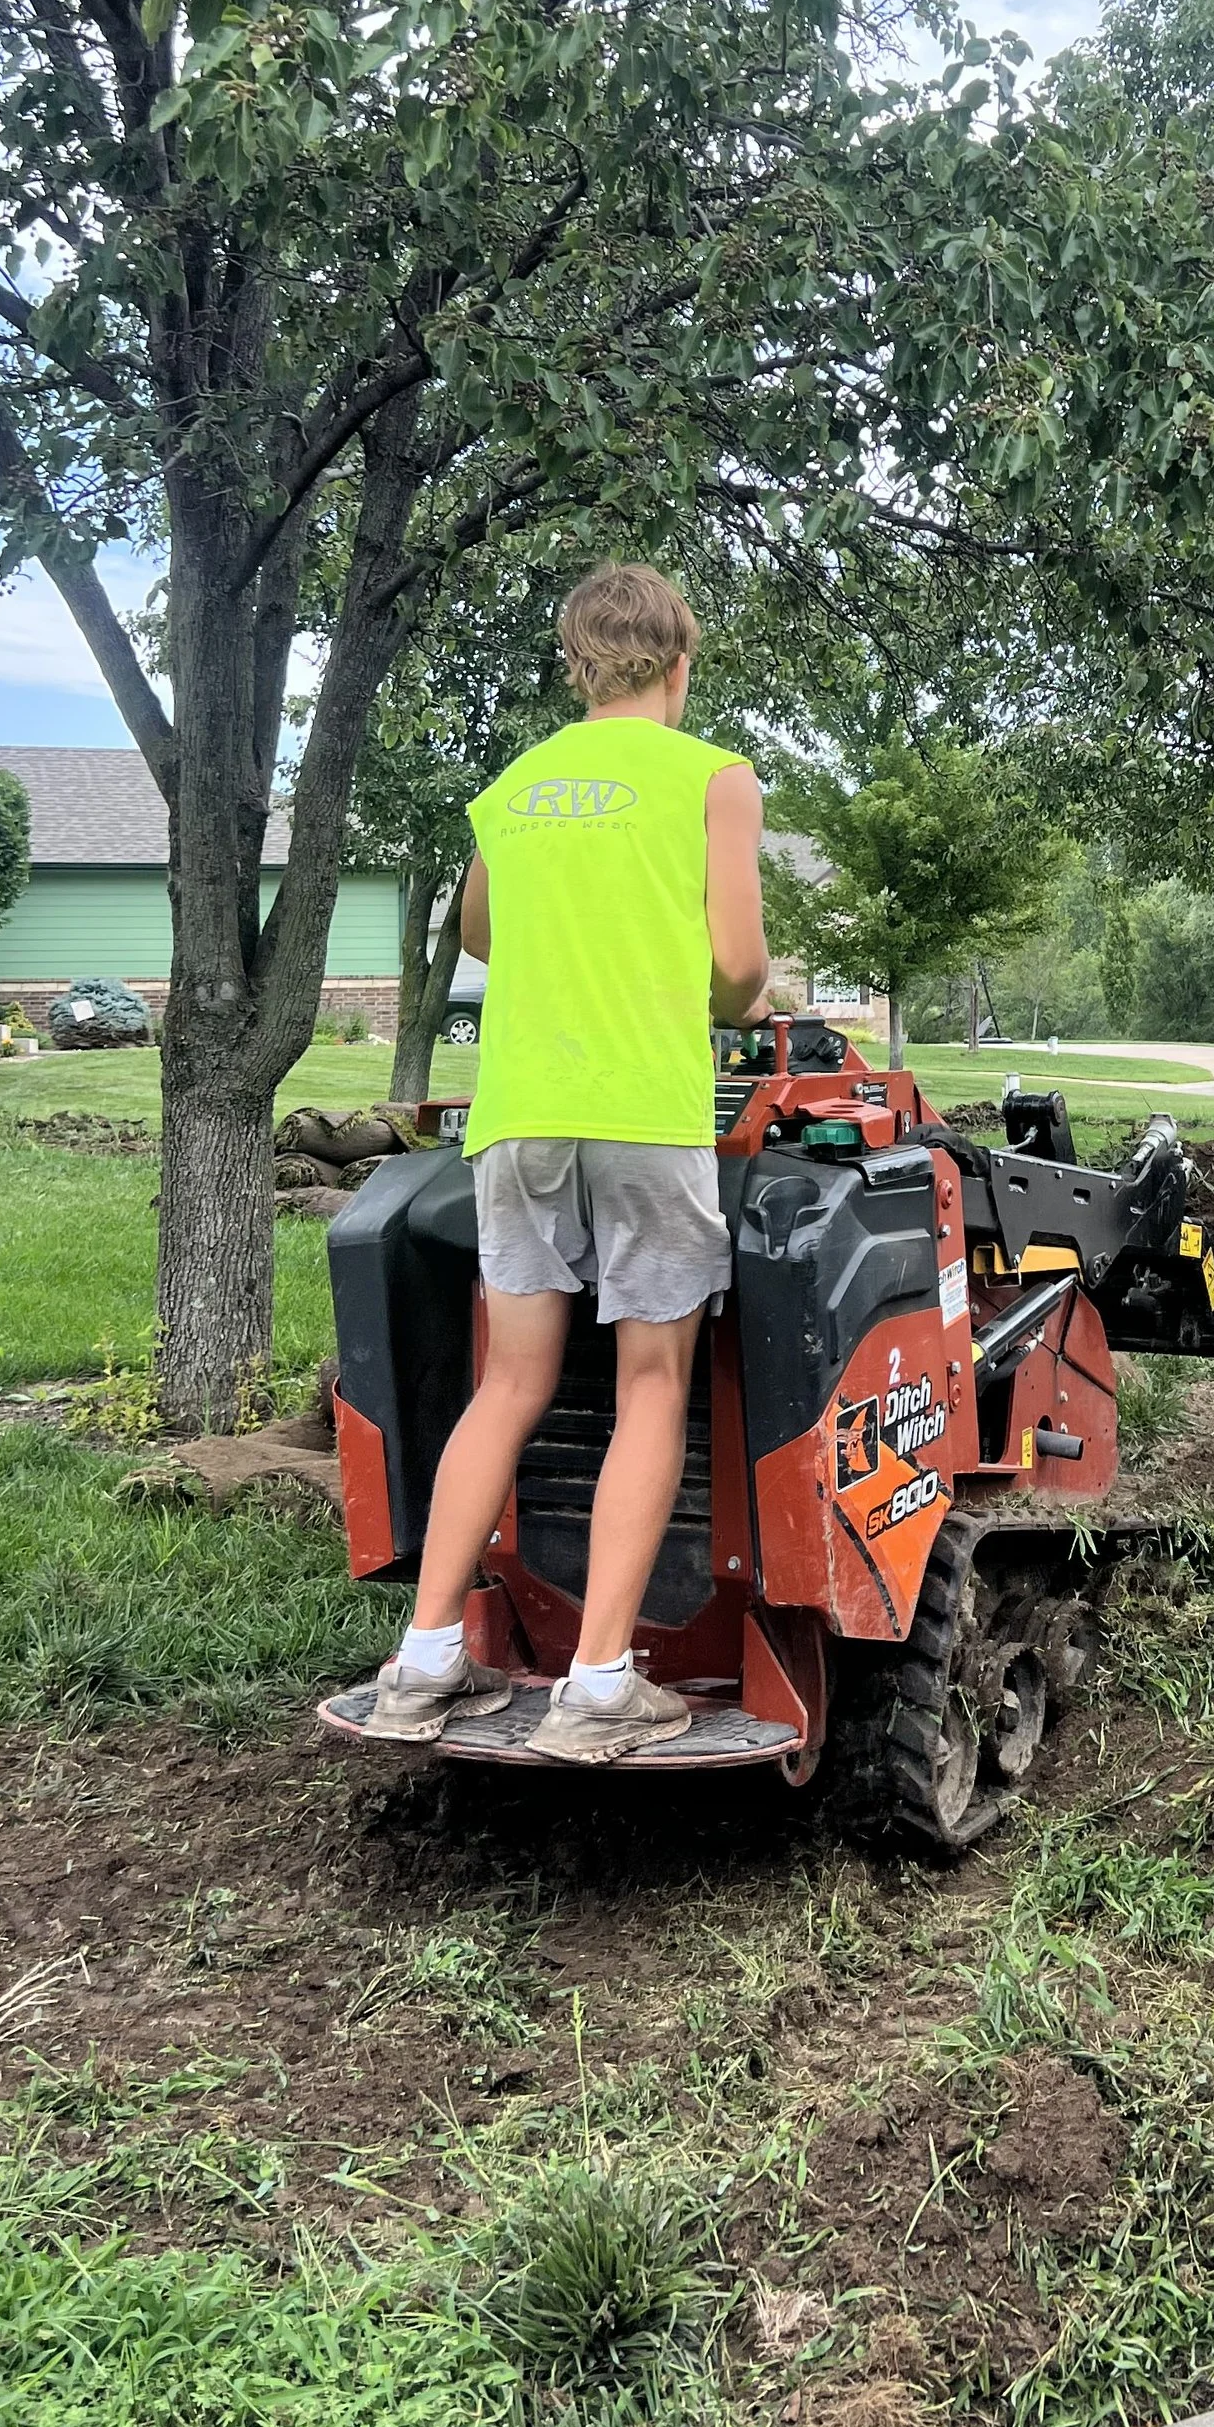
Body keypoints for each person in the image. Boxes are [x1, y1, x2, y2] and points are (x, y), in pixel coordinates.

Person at [362, 563, 773, 1762]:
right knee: (652, 1384)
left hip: (521, 1116)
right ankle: (600, 1683)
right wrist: (737, 993)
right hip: (643, 1113)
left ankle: (425, 1660)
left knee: (512, 1382)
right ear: (679, 664)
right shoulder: (713, 778)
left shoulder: (515, 785)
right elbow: (740, 971)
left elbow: (482, 932)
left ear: (576, 666)